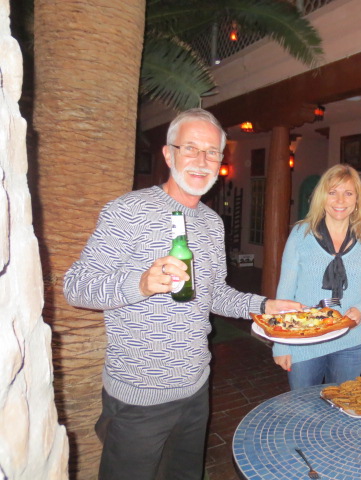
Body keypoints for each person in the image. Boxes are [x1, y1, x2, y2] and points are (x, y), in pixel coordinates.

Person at [63, 108, 301, 480]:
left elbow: (215, 294)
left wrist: (265, 305)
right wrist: (139, 284)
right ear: (168, 155)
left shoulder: (211, 222)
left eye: (212, 152)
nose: (202, 161)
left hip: (195, 389)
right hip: (139, 397)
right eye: (190, 148)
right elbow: (75, 286)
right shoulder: (129, 211)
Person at [273, 164, 361, 390]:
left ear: (357, 200)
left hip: (351, 343)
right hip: (304, 342)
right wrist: (280, 345)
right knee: (303, 411)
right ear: (322, 197)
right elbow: (284, 294)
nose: (340, 200)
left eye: (348, 193)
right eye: (332, 192)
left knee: (343, 411)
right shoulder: (300, 234)